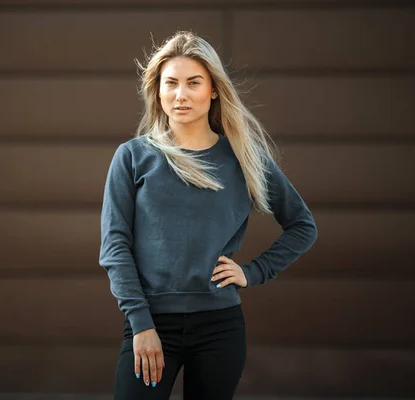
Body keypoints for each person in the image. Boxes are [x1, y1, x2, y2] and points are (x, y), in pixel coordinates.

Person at [99, 30, 318, 400]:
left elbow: (302, 226)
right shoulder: (133, 156)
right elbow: (115, 246)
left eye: (193, 83)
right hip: (152, 323)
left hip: (220, 327)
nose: (180, 94)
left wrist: (253, 272)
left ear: (213, 89)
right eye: (170, 83)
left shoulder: (244, 159)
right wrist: (140, 324)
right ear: (158, 91)